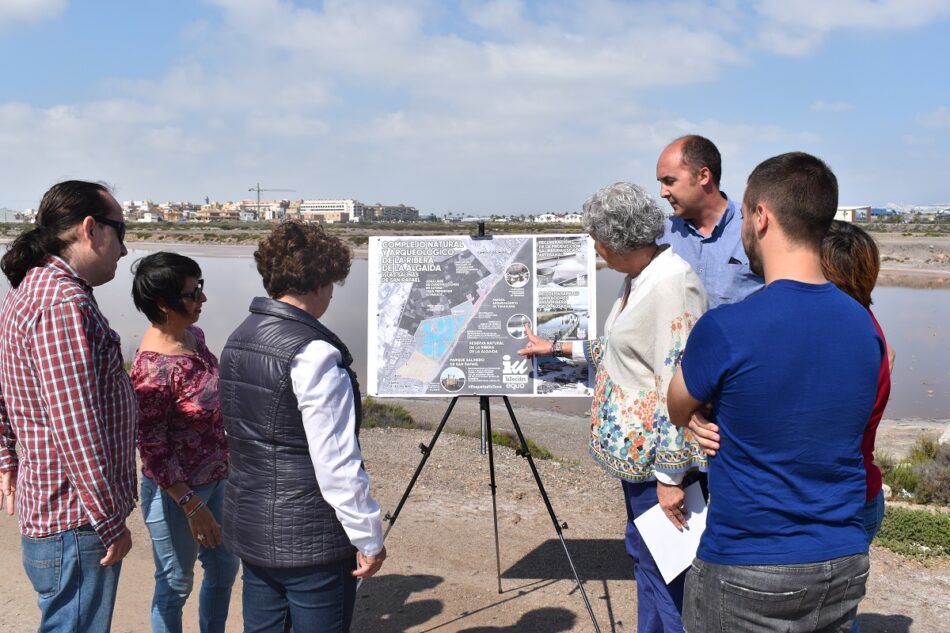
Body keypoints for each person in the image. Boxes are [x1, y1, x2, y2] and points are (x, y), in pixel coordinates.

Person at [667, 153, 883, 633]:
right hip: (842, 558)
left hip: (748, 563)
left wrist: (697, 415)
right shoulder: (864, 327)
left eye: (743, 213)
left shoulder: (726, 326)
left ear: (761, 216)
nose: (742, 223)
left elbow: (676, 402)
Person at [518, 182, 707, 633]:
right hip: (638, 465)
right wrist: (558, 346)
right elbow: (627, 351)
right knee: (647, 560)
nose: (595, 250)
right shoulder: (642, 278)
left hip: (655, 469)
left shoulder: (672, 286)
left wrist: (670, 479)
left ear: (619, 241)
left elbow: (679, 384)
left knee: (668, 574)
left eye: (597, 241)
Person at [219, 222, 386, 632]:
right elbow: (337, 463)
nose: (332, 293)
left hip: (252, 527)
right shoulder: (313, 354)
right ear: (320, 281)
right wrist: (369, 537)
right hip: (310, 540)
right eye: (332, 283)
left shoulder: (239, 337)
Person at [0, 180, 137, 632]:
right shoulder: (60, 301)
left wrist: (7, 457)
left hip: (59, 513)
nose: (124, 247)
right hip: (76, 520)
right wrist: (107, 519)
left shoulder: (33, 288)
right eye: (121, 230)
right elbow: (74, 425)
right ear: (90, 229)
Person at [130, 252, 239, 633]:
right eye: (194, 293)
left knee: (224, 565)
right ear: (163, 304)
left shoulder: (194, 337)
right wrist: (192, 505)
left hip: (216, 476)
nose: (203, 299)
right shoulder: (152, 370)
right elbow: (152, 447)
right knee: (176, 583)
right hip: (177, 494)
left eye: (201, 288)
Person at [655, 134, 763, 308]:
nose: (663, 192)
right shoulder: (661, 236)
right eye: (660, 183)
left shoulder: (755, 228)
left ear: (703, 176)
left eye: (669, 181)